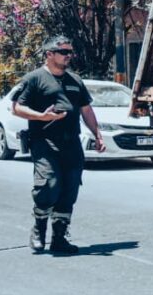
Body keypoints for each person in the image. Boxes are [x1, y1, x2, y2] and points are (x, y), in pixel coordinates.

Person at [12, 36, 106, 254]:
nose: (68, 56)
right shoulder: (34, 79)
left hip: (71, 142)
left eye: (70, 52)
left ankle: (59, 238)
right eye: (63, 52)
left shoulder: (75, 80)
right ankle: (38, 229)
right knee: (49, 184)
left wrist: (98, 134)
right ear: (49, 54)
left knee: (69, 189)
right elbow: (16, 107)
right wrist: (41, 117)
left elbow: (86, 110)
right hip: (44, 141)